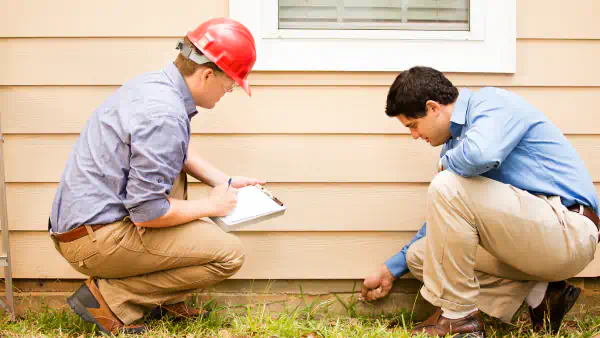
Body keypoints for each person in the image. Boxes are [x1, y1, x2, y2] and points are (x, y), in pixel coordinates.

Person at [48, 18, 262, 335]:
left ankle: (156, 300)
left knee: (173, 185)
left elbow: (175, 152)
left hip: (87, 225)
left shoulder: (155, 86)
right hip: (94, 239)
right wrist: (212, 206)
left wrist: (223, 182)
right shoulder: (163, 113)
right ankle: (110, 300)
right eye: (229, 85)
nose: (227, 91)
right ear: (206, 74)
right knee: (229, 254)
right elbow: (148, 212)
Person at [361, 66, 599, 337]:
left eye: (413, 125)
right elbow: (445, 222)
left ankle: (459, 319)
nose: (414, 135)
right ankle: (542, 295)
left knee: (446, 185)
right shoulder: (454, 148)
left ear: (433, 108)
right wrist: (391, 270)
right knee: (422, 256)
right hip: (533, 241)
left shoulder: (491, 104)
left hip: (568, 229)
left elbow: (481, 155)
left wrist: (445, 168)